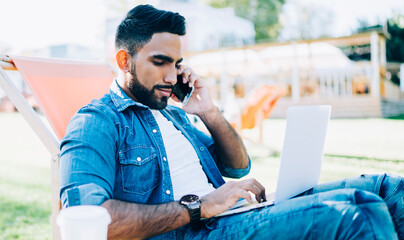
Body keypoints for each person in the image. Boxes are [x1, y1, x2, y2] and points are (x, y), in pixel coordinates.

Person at [60, 4, 403, 240]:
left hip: (235, 215)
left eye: (176, 63)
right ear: (124, 60)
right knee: (360, 212)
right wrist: (202, 206)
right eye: (160, 62)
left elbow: (238, 166)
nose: (171, 75)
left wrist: (207, 111)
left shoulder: (174, 115)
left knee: (386, 188)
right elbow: (87, 221)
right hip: (199, 230)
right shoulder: (96, 122)